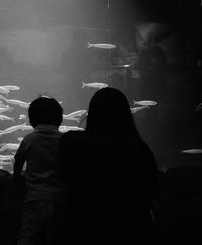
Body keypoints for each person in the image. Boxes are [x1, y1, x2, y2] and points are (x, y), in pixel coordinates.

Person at [59, 87, 160, 245]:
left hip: (83, 228)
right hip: (131, 230)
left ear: (91, 113)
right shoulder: (139, 150)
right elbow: (151, 193)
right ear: (126, 114)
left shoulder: (72, 143)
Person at [13, 96, 67, 245]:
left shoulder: (29, 139)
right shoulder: (64, 140)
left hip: (34, 199)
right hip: (59, 199)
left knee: (28, 237)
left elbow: (18, 161)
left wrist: (16, 178)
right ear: (60, 119)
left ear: (31, 120)